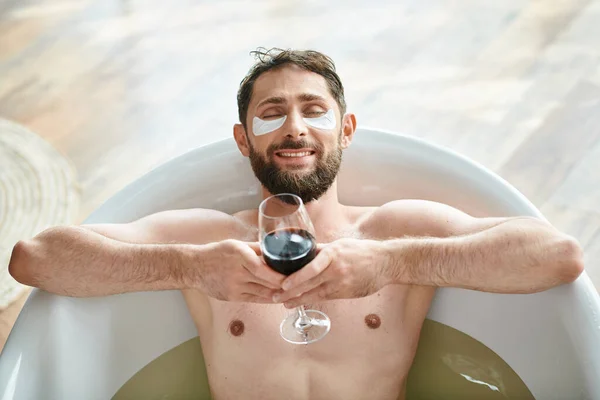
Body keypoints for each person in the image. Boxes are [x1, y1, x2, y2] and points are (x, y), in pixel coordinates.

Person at [8, 48, 584, 400]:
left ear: (346, 130)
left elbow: (558, 256)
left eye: (313, 109)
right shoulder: (208, 243)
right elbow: (36, 259)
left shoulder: (392, 235)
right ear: (243, 140)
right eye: (270, 113)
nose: (294, 127)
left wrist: (398, 262)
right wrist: (185, 266)